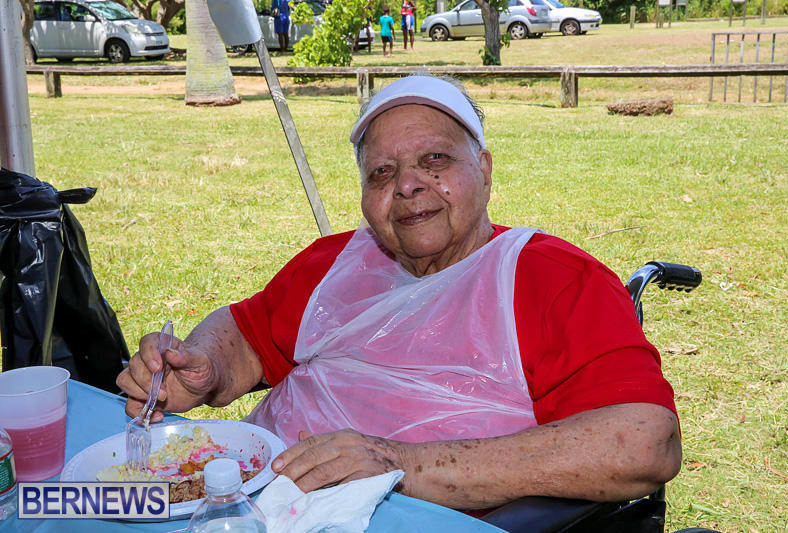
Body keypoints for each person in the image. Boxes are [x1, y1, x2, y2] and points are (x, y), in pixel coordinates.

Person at [118, 74, 682, 512]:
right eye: (382, 173)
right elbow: (245, 334)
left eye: (435, 160)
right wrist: (204, 365)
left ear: (484, 170)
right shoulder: (334, 261)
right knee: (80, 506)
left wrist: (396, 463)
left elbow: (642, 443)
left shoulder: (554, 278)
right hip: (242, 500)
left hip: (407, 518)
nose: (408, 185)